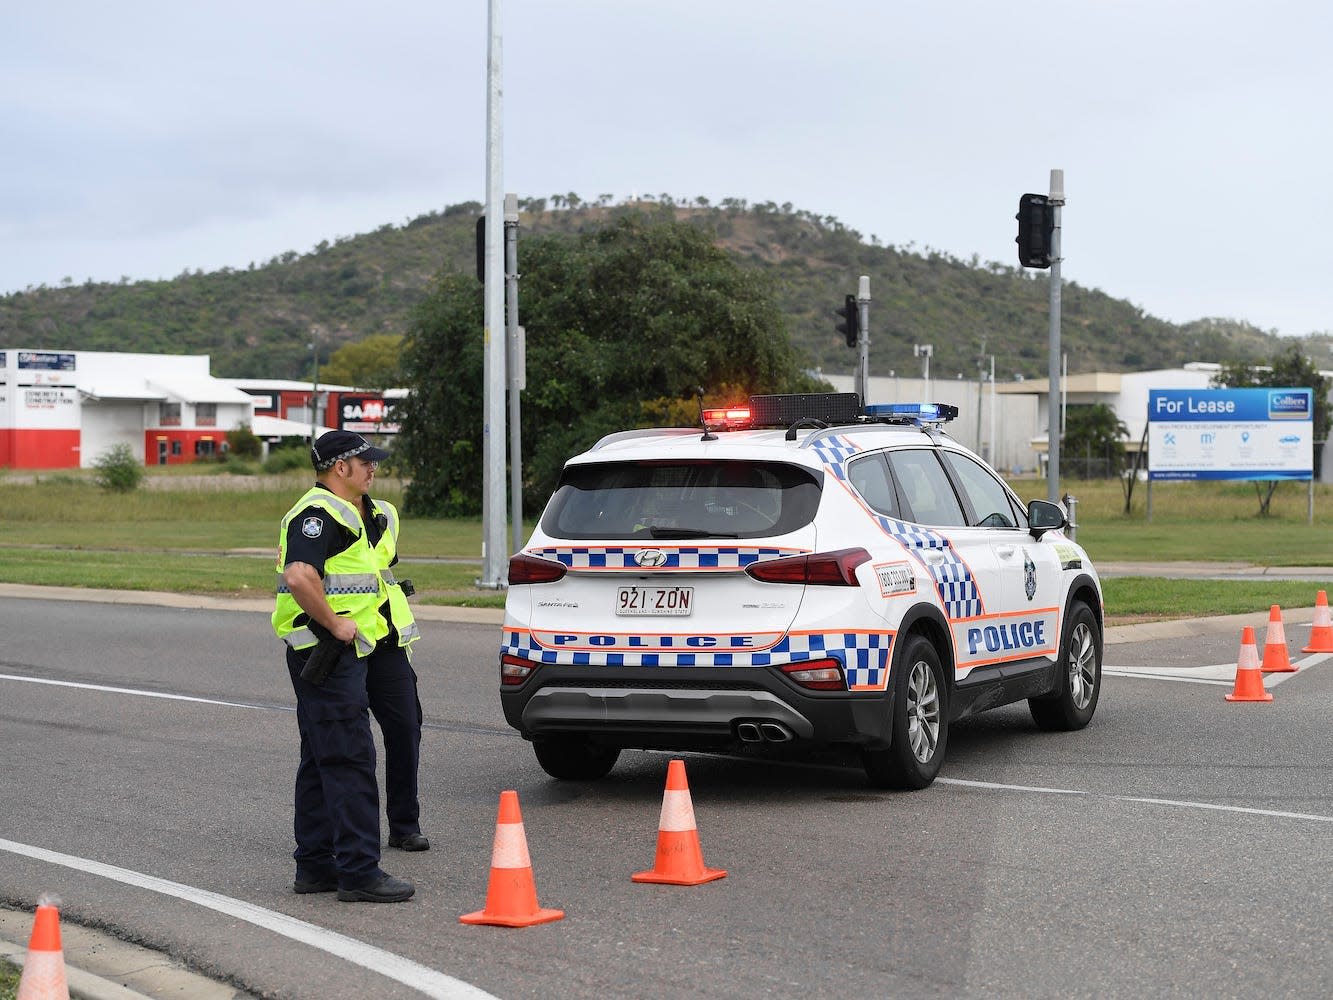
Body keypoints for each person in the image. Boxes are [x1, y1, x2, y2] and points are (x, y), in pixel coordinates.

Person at [271, 429, 425, 902]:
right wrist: (335, 623)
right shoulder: (317, 514)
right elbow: (299, 576)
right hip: (330, 651)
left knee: (325, 755)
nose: (374, 468)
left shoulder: (373, 513)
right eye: (366, 461)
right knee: (347, 755)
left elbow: (376, 578)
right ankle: (358, 871)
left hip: (372, 644)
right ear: (341, 467)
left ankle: (316, 866)